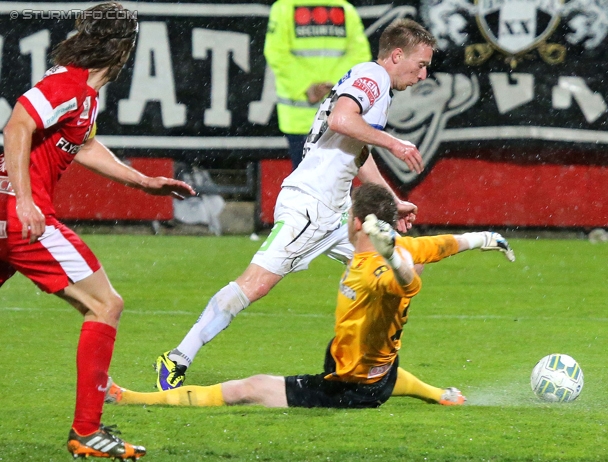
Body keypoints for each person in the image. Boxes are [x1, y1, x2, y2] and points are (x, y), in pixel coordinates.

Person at [155, 18, 436, 391]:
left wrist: (391, 200)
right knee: (253, 285)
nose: (423, 75)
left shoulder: (375, 86)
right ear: (397, 55)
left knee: (403, 264)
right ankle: (177, 358)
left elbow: (357, 149)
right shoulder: (374, 76)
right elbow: (341, 119)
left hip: (336, 211)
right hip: (310, 206)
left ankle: (366, 363)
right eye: (420, 65)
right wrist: (396, 144)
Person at [110, 184, 515, 410]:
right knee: (375, 357)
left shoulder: (374, 271)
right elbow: (442, 244)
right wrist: (483, 238)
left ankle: (127, 397)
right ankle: (432, 393)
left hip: (349, 386)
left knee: (248, 389)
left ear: (355, 222)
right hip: (380, 367)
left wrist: (393, 258)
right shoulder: (399, 251)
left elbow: (406, 283)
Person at [0, 3, 195, 460]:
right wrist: (26, 201)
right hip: (21, 216)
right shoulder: (66, 85)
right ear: (123, 49)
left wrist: (143, 182)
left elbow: (83, 145)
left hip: (5, 214)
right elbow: (17, 125)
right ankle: (86, 432)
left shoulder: (82, 95)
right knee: (106, 303)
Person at [264, 0, 372, 169]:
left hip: (303, 117)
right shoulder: (345, 9)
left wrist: (308, 87)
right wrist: (336, 85)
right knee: (337, 183)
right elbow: (360, 56)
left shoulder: (284, 8)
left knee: (306, 185)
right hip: (337, 116)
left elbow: (276, 53)